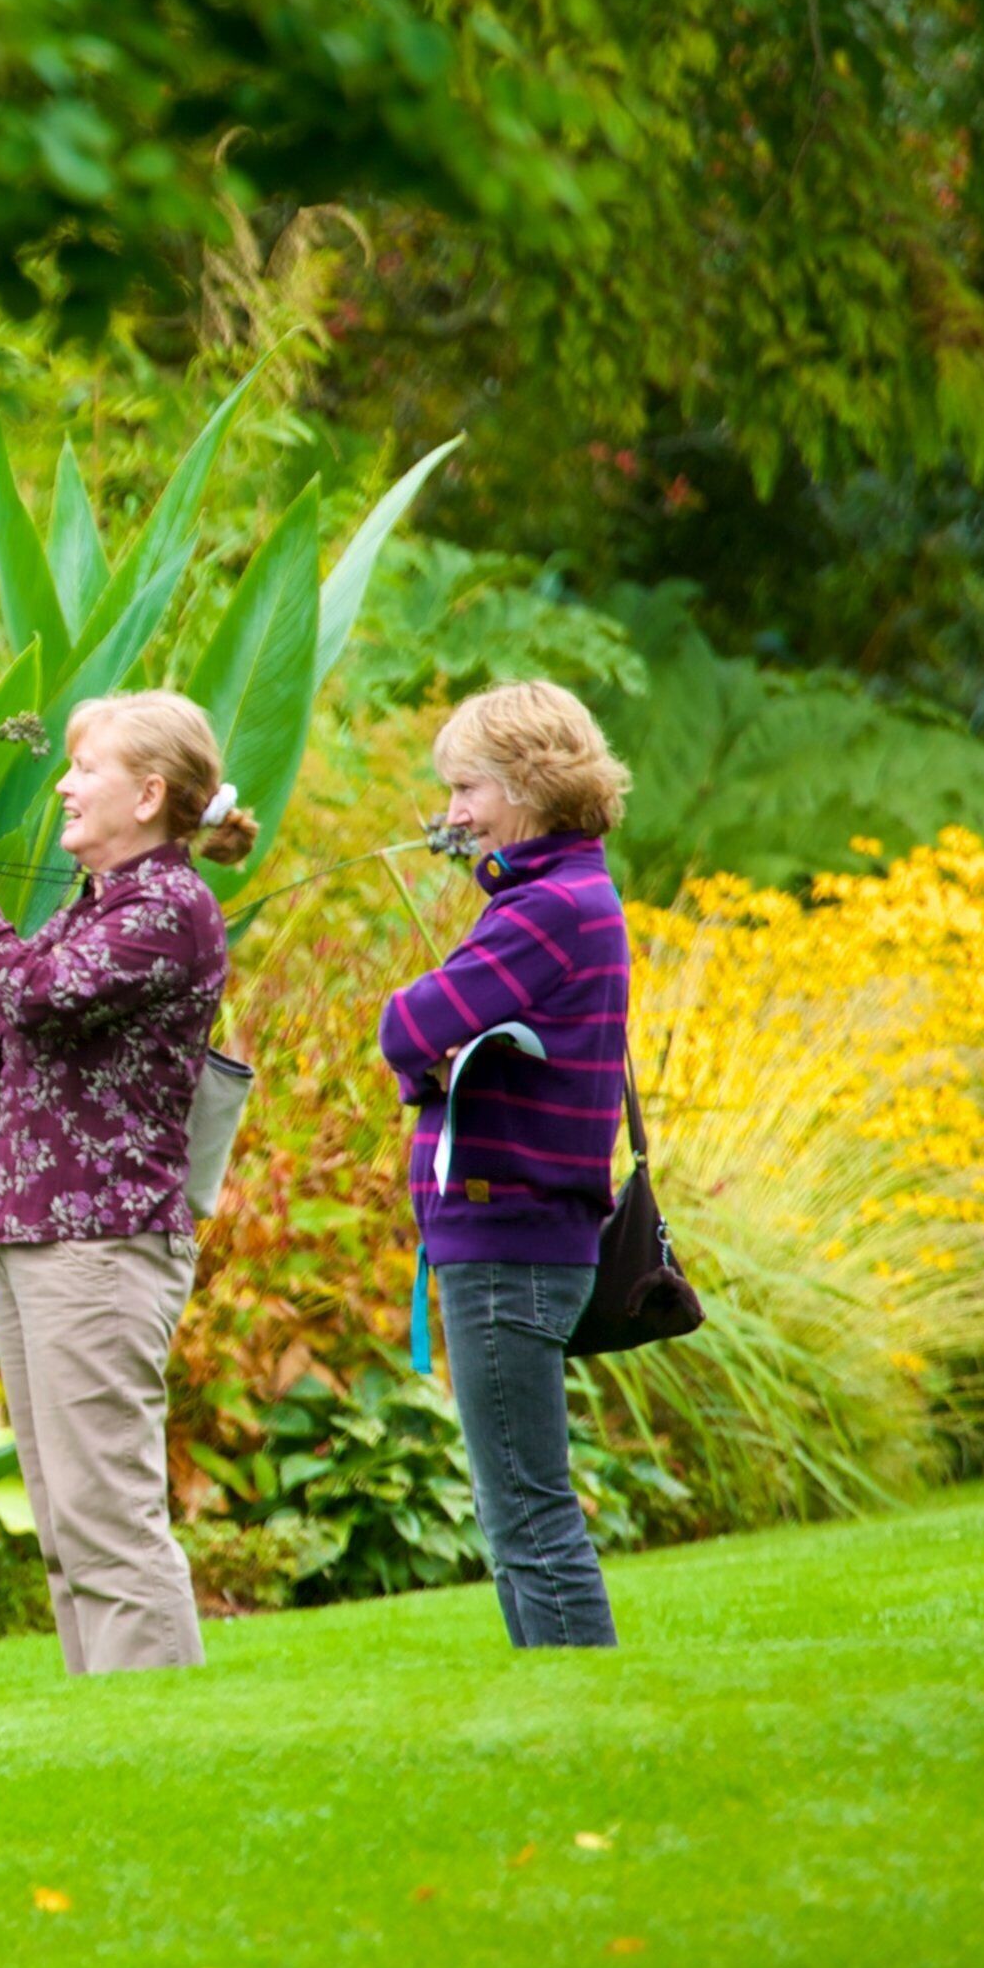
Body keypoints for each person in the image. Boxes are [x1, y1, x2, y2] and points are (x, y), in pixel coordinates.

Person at [0, 692, 256, 1674]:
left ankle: (160, 1744)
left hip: (99, 1247)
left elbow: (34, 998)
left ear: (148, 793)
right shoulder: (100, 905)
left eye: (84, 768)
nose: (64, 783)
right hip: (38, 1235)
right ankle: (111, 1737)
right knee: (67, 1520)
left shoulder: (169, 910)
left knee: (109, 1522)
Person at [376, 679, 636, 1650]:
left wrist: (423, 1052)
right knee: (519, 1508)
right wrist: (433, 1058)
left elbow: (408, 1022)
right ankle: (565, 1697)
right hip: (533, 1238)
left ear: (529, 785)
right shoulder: (567, 896)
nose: (452, 814)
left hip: (510, 1242)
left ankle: (577, 1709)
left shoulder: (545, 911)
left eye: (466, 789)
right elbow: (440, 1039)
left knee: (525, 1512)